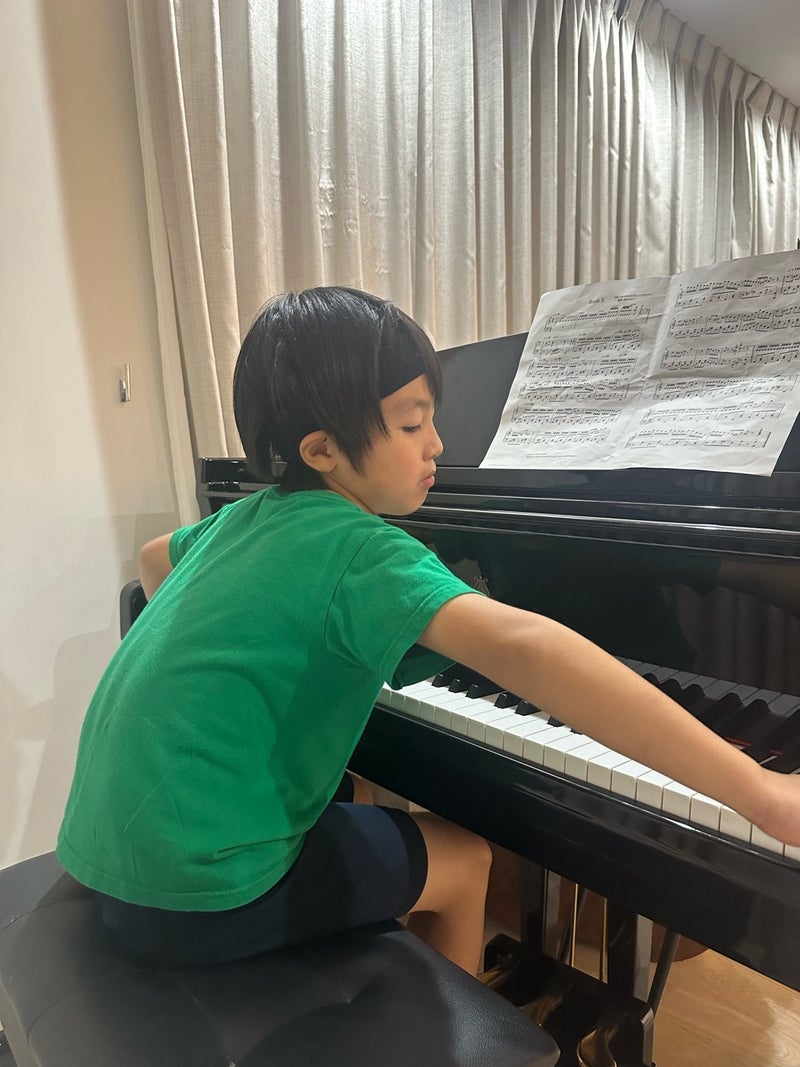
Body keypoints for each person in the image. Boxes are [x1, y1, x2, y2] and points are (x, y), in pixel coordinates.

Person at [57, 286, 800, 980]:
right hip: (199, 894)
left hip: (106, 851)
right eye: (412, 425)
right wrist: (761, 792)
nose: (438, 444)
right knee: (466, 858)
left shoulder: (246, 517)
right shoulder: (360, 548)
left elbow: (153, 558)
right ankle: (464, 1040)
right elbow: (522, 645)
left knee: (365, 802)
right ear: (322, 450)